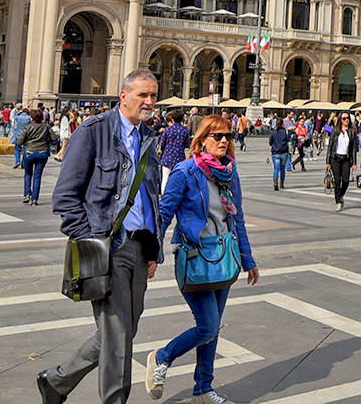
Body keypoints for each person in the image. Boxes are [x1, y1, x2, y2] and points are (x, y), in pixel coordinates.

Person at [40, 70, 163, 404]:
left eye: (153, 95)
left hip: (140, 246)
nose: (149, 102)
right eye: (143, 95)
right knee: (118, 334)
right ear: (123, 95)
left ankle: (56, 381)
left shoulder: (149, 137)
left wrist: (154, 249)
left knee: (122, 331)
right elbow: (65, 196)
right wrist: (90, 243)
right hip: (108, 246)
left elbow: (151, 197)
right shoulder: (93, 132)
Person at [147, 114, 259, 404]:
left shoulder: (229, 173)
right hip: (195, 257)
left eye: (228, 136)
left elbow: (238, 218)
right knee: (207, 325)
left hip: (223, 256)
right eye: (217, 136)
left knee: (212, 328)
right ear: (202, 139)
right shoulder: (185, 171)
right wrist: (153, 253)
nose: (224, 141)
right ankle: (162, 356)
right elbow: (164, 214)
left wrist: (248, 259)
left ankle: (203, 389)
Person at [19, 108, 55, 205]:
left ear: (32, 117)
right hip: (42, 152)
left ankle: (27, 194)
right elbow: (54, 138)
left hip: (29, 152)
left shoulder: (28, 127)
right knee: (37, 176)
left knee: (27, 174)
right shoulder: (46, 127)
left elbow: (20, 141)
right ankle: (34, 199)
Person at [327, 112, 358, 211]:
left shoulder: (352, 132)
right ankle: (338, 201)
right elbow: (330, 147)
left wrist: (354, 162)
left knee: (345, 181)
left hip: (346, 159)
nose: (346, 120)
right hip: (335, 159)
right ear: (340, 120)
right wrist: (327, 162)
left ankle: (340, 195)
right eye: (344, 118)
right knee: (337, 181)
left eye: (347, 118)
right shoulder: (335, 131)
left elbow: (353, 148)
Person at [158, 110, 192, 189]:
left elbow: (162, 144)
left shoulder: (167, 130)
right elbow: (187, 145)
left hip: (167, 157)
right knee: (178, 179)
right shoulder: (185, 130)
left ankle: (164, 196)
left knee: (165, 178)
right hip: (179, 157)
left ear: (172, 119)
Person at [267, 120, 290, 191]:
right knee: (282, 169)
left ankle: (275, 183)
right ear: (282, 124)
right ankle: (281, 184)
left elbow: (270, 143)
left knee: (276, 169)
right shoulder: (284, 132)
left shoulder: (273, 132)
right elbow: (288, 139)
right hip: (284, 152)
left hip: (275, 153)